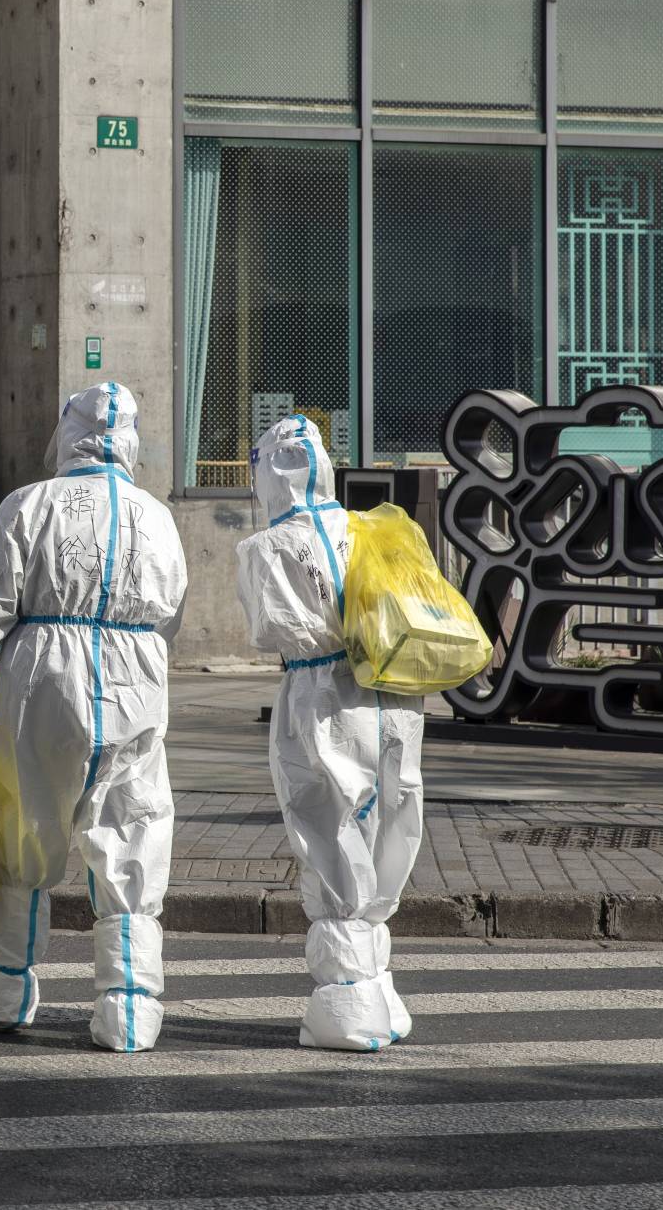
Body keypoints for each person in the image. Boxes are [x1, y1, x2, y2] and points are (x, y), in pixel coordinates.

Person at [0, 382, 187, 1053]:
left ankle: (1, 985)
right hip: (136, 672)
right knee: (133, 828)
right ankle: (130, 1009)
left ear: (66, 433)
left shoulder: (29, 505)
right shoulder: (156, 516)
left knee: (29, 827)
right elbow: (172, 610)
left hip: (45, 672)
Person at [235, 414, 423, 1052]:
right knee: (387, 826)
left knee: (329, 832)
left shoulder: (266, 548)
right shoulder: (365, 525)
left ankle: (348, 1003)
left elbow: (268, 630)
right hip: (393, 694)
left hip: (321, 696)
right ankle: (378, 988)